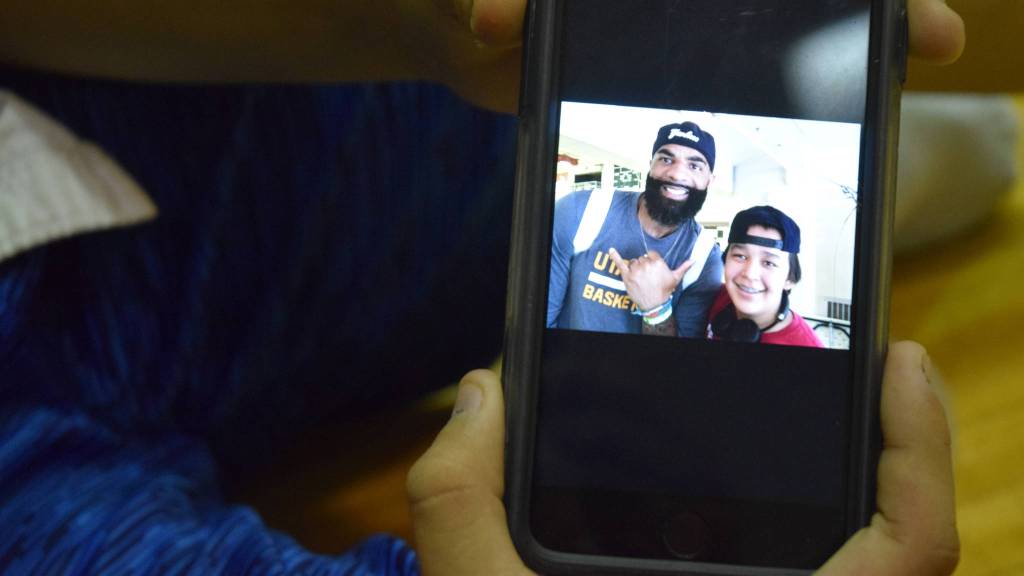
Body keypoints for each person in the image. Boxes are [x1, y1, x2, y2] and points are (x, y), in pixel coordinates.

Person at [0, 0, 971, 574]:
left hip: (415, 74)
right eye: (669, 155)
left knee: (956, 135)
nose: (678, 171)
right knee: (957, 148)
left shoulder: (722, 270)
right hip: (476, 240)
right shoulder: (574, 213)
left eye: (693, 163)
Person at [548, 122, 723, 337]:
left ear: (709, 181)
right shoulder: (579, 210)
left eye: (695, 166)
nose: (677, 174)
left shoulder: (704, 259)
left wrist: (656, 308)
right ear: (650, 166)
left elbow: (678, 354)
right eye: (666, 159)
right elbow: (540, 318)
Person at [707, 206, 824, 347]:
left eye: (769, 263)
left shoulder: (807, 346)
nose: (750, 274)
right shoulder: (712, 297)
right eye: (740, 256)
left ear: (790, 279)